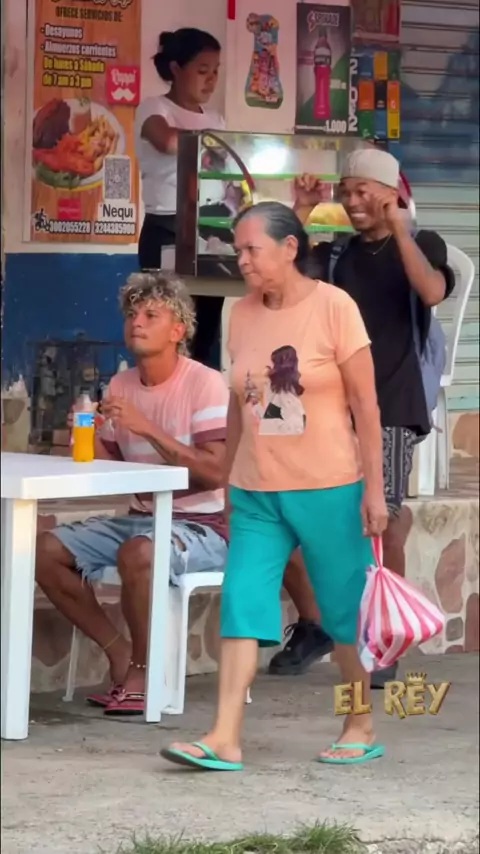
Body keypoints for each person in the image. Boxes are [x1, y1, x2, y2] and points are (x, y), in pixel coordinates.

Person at [161, 201, 388, 771]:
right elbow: (239, 404)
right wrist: (228, 482)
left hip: (329, 486)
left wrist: (374, 491)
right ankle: (224, 737)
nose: (242, 260)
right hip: (257, 490)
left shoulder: (335, 308)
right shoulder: (240, 313)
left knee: (342, 613)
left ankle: (359, 722)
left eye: (251, 249)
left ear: (290, 249)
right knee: (242, 602)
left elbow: (366, 406)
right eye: (237, 249)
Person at [268, 148, 455, 686]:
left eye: (362, 192)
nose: (351, 201)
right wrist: (301, 213)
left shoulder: (422, 244)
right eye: (344, 191)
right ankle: (319, 625)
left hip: (392, 401)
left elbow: (432, 291)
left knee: (382, 519)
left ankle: (384, 635)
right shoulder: (337, 255)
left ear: (390, 193)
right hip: (331, 404)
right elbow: (282, 283)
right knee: (300, 513)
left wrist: (399, 226)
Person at [35, 272, 229, 716]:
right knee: (45, 550)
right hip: (142, 518)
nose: (136, 322)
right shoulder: (121, 386)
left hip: (205, 526)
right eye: (132, 314)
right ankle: (120, 653)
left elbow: (216, 472)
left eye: (150, 315)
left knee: (139, 553)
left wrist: (147, 428)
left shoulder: (205, 384)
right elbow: (116, 468)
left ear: (177, 330)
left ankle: (143, 672)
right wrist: (87, 438)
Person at [135, 27, 229, 367]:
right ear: (176, 69)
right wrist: (213, 143)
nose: (211, 79)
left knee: (203, 336)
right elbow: (169, 142)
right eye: (202, 70)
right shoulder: (154, 108)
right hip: (167, 229)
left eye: (215, 70)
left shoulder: (216, 119)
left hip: (212, 230)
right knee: (165, 332)